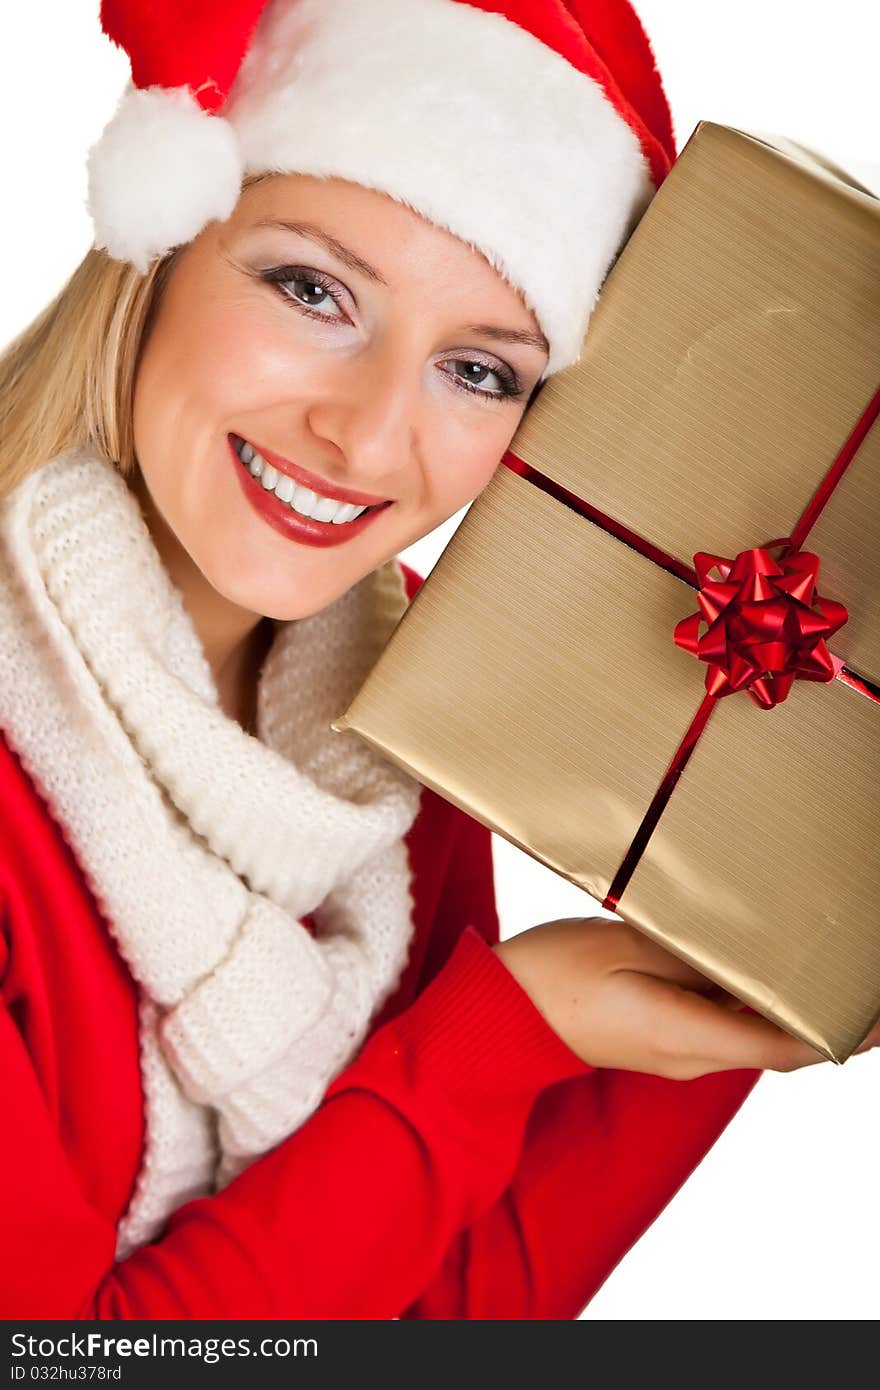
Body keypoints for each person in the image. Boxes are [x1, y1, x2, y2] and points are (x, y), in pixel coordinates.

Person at [0, 0, 875, 1321]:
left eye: (478, 369)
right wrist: (497, 1036)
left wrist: (722, 970)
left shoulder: (384, 717)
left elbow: (424, 1309)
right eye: (313, 290)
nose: (365, 439)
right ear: (160, 247)